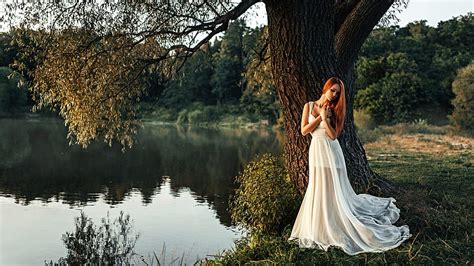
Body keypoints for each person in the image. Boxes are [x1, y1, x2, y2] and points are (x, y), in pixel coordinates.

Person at [287, 77, 411, 255]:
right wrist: (319, 118)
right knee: (318, 186)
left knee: (333, 188)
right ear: (326, 88)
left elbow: (332, 136)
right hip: (316, 151)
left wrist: (326, 119)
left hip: (331, 151)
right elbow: (304, 131)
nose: (334, 95)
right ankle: (321, 223)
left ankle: (336, 221)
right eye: (333, 90)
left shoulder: (334, 110)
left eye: (337, 92)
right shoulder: (309, 105)